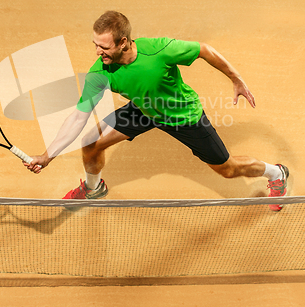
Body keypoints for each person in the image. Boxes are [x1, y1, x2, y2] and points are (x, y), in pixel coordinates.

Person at [24, 11, 288, 211]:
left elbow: (204, 50)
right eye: (95, 44)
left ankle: (277, 174)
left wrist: (236, 78)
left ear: (123, 42)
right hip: (143, 111)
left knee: (227, 169)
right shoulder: (100, 72)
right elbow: (78, 117)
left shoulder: (158, 50)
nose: (97, 51)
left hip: (182, 115)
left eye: (104, 47)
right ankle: (93, 189)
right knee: (90, 142)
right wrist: (48, 155)